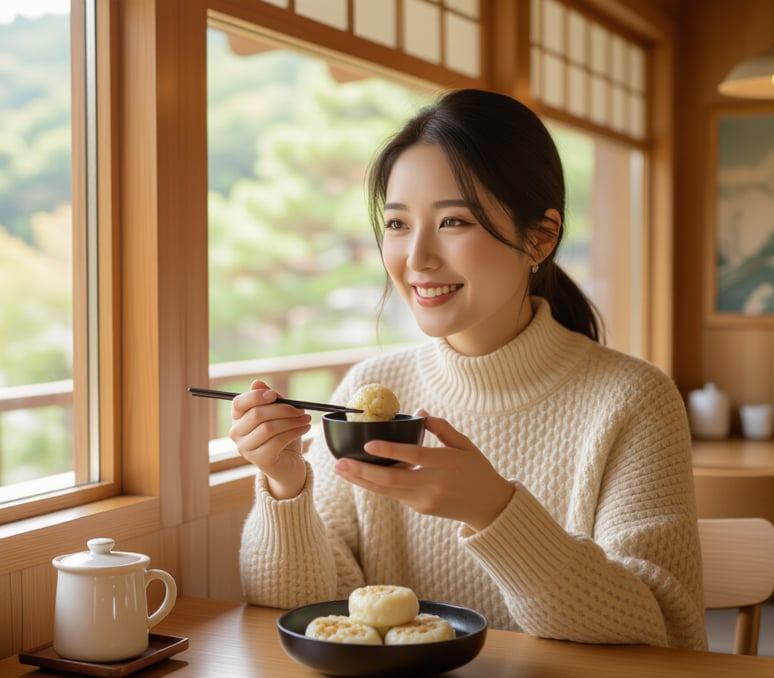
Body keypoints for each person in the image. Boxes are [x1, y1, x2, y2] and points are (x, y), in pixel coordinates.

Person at [229, 88, 705, 649]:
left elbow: (658, 624)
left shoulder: (632, 399)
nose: (417, 257)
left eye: (454, 221)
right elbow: (305, 608)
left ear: (540, 238)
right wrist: (286, 487)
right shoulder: (369, 387)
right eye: (399, 224)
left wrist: (493, 510)